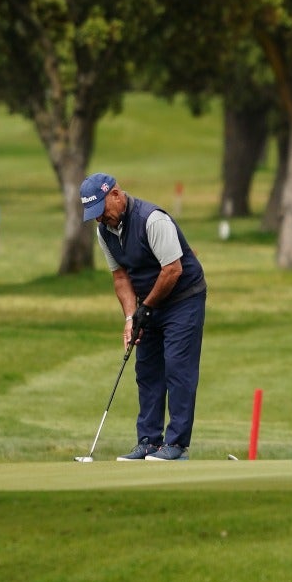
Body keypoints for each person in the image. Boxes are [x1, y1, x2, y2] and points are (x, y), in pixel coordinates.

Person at [81, 172, 208, 461]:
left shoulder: (152, 219)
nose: (100, 219)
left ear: (116, 194)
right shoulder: (105, 232)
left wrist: (145, 308)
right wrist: (131, 318)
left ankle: (176, 445)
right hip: (150, 302)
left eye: (102, 211)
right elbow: (120, 277)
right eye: (94, 215)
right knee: (147, 370)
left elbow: (172, 270)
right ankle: (149, 441)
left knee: (177, 367)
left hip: (184, 298)